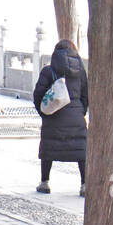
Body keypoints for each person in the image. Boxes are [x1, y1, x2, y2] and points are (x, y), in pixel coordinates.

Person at [33, 39, 89, 195]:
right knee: (81, 151)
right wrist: (79, 111)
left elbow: (38, 94)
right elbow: (86, 95)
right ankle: (84, 184)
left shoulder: (48, 70)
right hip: (76, 116)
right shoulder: (81, 72)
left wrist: (44, 112)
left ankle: (45, 182)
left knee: (48, 149)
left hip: (53, 116)